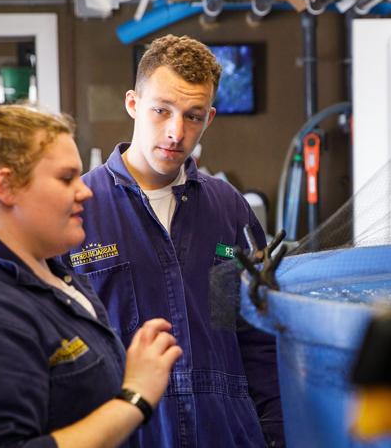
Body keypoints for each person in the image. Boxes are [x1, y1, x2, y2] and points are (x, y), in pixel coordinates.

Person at [0, 96, 182, 448]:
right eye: (66, 178)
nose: (85, 190)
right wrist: (134, 398)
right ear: (6, 187)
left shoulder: (54, 274)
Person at [65, 35, 284, 447]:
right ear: (133, 103)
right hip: (125, 432)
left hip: (224, 433)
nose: (175, 132)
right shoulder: (78, 207)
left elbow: (256, 333)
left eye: (193, 116)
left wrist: (273, 434)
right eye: (161, 110)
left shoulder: (228, 209)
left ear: (210, 118)